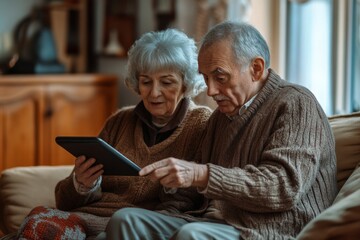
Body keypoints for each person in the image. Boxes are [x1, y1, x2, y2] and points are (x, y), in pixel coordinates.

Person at [104, 21, 338, 239]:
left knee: (192, 235)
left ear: (256, 68)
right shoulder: (220, 117)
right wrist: (171, 194)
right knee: (126, 220)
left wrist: (201, 174)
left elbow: (283, 187)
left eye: (220, 77)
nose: (211, 90)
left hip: (270, 229)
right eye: (206, 79)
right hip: (209, 221)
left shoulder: (296, 103)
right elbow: (189, 194)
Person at [15, 28, 212, 239]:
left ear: (186, 83)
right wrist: (82, 184)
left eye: (166, 82)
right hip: (84, 219)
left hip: (132, 227)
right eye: (146, 82)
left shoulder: (201, 124)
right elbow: (63, 200)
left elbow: (183, 206)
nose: (154, 93)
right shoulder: (120, 121)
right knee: (37, 220)